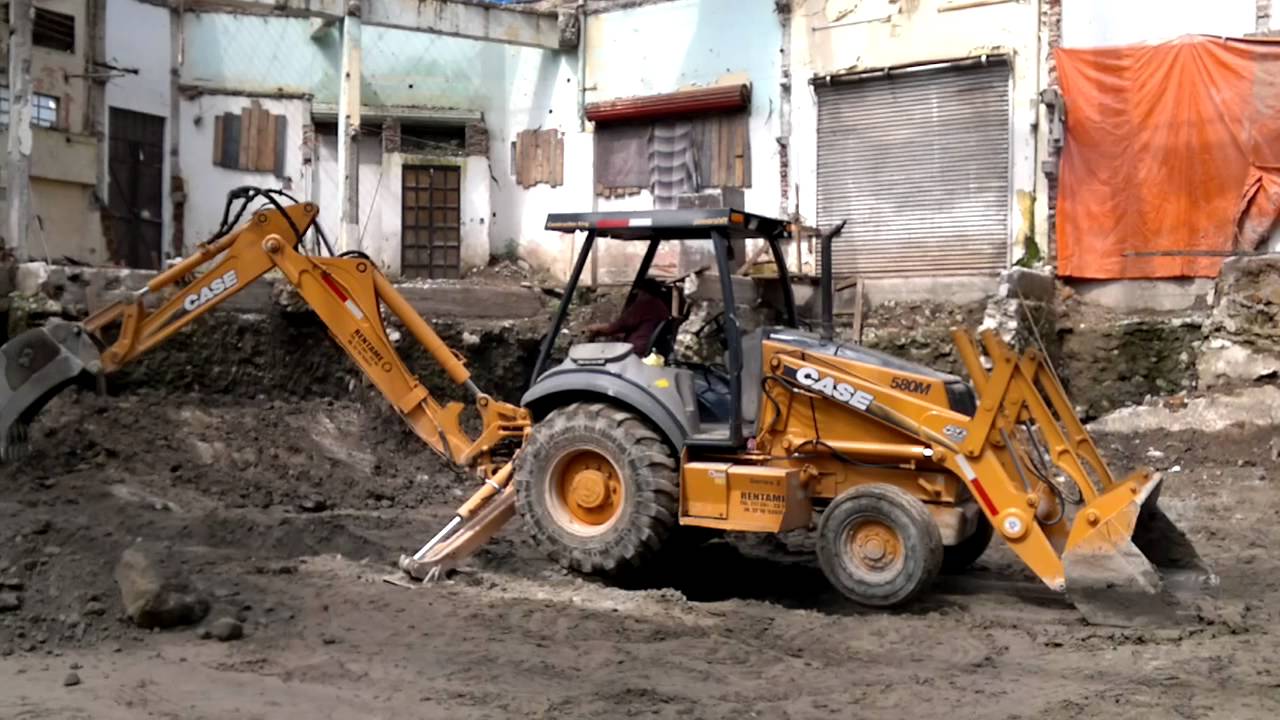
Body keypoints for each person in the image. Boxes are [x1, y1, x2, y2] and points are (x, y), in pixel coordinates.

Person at [585, 278, 671, 356]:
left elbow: (618, 326)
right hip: (650, 349)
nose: (637, 297)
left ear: (643, 292)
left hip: (636, 351)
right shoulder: (661, 306)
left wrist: (595, 327)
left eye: (638, 293)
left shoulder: (644, 304)